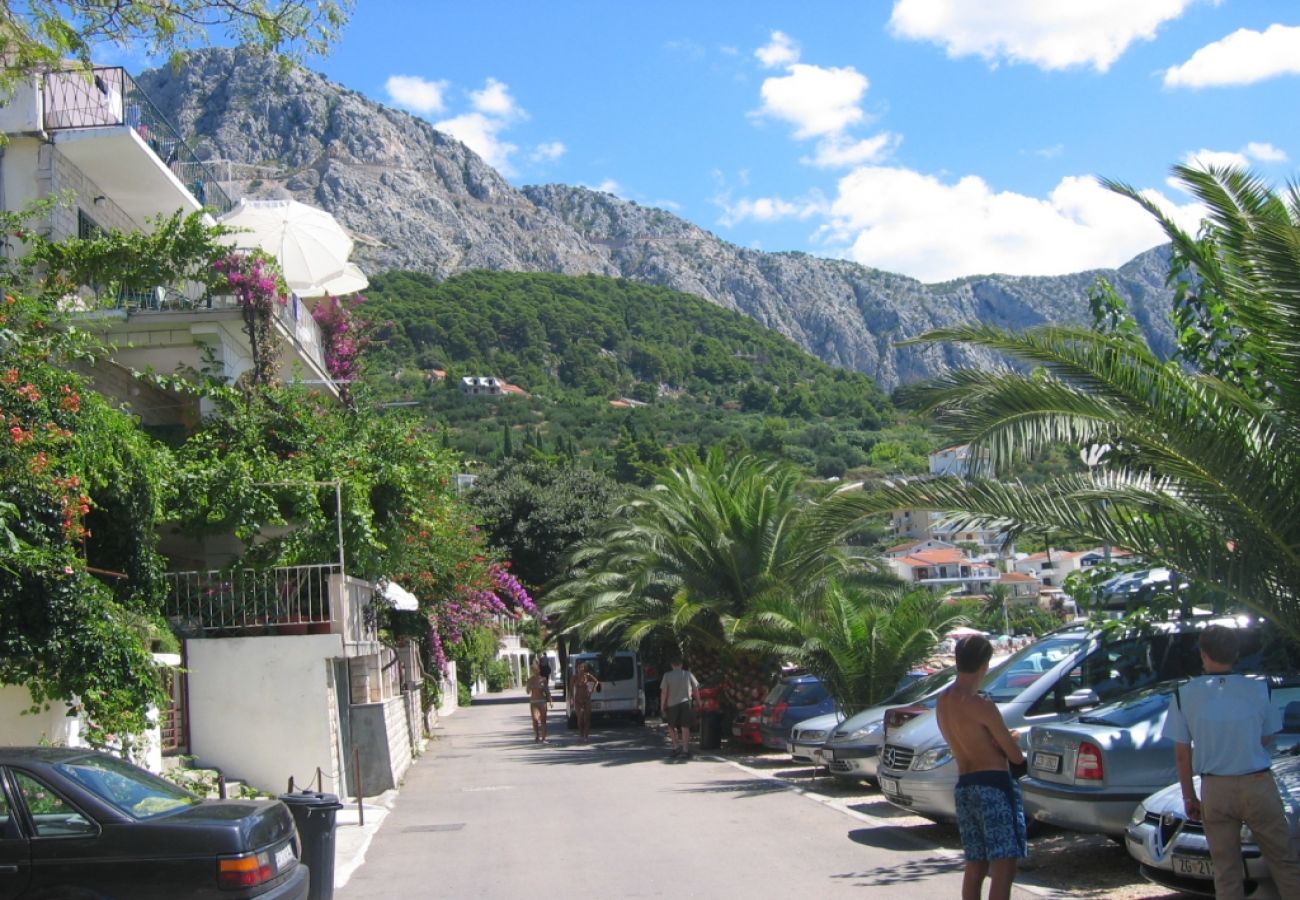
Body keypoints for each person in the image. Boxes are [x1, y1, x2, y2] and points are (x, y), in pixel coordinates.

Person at [1163, 625, 1300, 900]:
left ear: (1203, 654)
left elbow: (1182, 753)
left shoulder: (1184, 694)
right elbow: (1265, 739)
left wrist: (1189, 797)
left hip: (1215, 787)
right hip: (1257, 782)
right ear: (1236, 654)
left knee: (1226, 871)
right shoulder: (1259, 689)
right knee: (1284, 862)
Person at [936, 634, 1027, 900]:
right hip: (993, 786)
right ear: (985, 665)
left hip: (965, 786)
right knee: (1004, 863)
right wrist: (1009, 740)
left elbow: (965, 739)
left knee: (975, 862)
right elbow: (1014, 756)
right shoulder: (981, 704)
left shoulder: (943, 701)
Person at [659, 656, 698, 759]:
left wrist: (662, 705)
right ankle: (685, 750)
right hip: (686, 703)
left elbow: (664, 692)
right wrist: (699, 701)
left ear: (672, 665)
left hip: (672, 704)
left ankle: (676, 746)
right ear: (681, 665)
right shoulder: (688, 674)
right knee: (685, 726)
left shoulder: (667, 676)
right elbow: (695, 688)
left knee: (671, 726)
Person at [572, 661, 600, 743]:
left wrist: (592, 690)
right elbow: (570, 689)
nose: (580, 669)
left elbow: (596, 681)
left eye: (582, 667)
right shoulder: (574, 677)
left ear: (584, 668)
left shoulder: (587, 676)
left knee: (587, 719)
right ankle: (581, 734)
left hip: (587, 699)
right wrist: (571, 699)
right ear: (576, 668)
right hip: (578, 700)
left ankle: (586, 736)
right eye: (579, 667)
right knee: (580, 718)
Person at [525, 661, 552, 743]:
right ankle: (537, 735)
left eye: (536, 669)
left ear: (539, 670)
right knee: (535, 719)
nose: (534, 671)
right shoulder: (530, 680)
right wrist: (529, 687)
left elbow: (547, 691)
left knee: (543, 720)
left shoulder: (543, 680)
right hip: (534, 702)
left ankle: (544, 738)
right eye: (533, 669)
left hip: (542, 701)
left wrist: (550, 701)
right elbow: (527, 692)